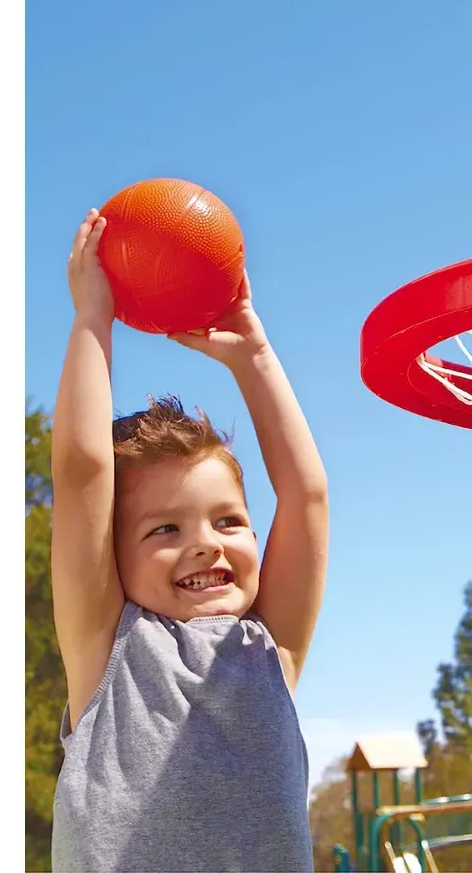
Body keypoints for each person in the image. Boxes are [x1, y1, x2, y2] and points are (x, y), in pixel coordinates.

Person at [50, 208, 328, 872]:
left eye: (229, 521)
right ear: (112, 557)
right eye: (165, 529)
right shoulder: (107, 646)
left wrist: (255, 356)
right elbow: (85, 471)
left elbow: (308, 496)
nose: (207, 543)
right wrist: (93, 318)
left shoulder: (271, 651)